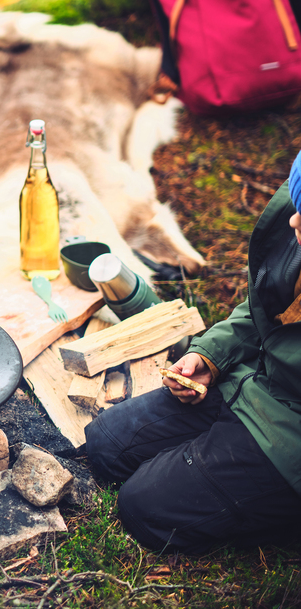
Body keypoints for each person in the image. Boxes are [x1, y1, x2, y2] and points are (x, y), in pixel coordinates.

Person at [85, 150, 301, 554]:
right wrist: (213, 355)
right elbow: (265, 309)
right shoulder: (297, 217)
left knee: (143, 508)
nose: (293, 220)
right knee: (107, 444)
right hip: (256, 380)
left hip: (289, 432)